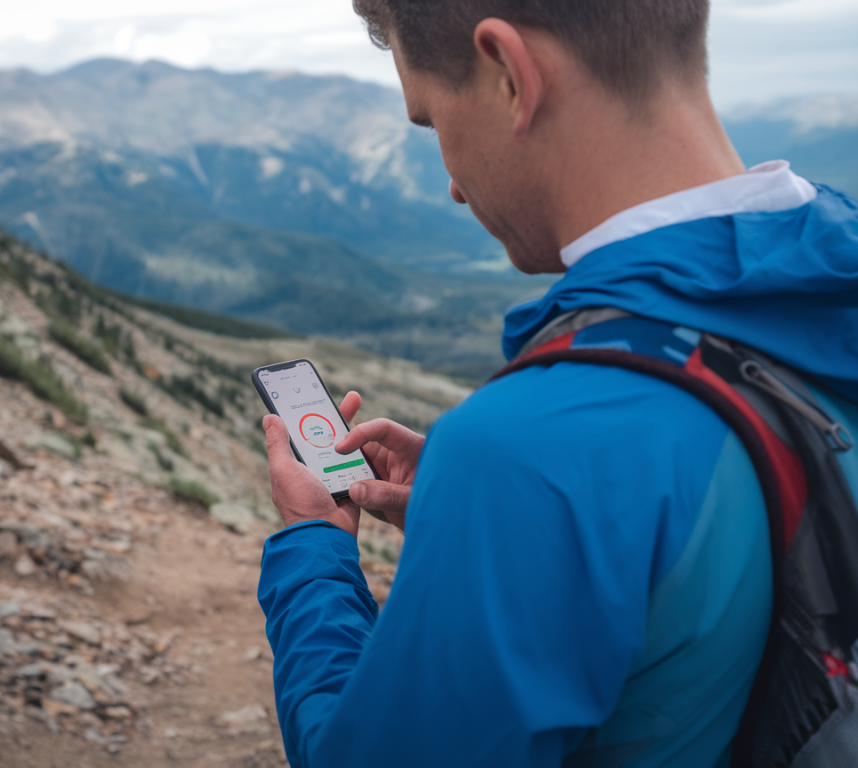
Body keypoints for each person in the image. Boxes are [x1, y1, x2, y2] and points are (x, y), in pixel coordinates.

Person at [257, 1, 858, 766]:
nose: (452, 184)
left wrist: (316, 543)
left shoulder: (530, 451)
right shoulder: (823, 296)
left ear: (509, 72)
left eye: (432, 121)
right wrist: (475, 518)